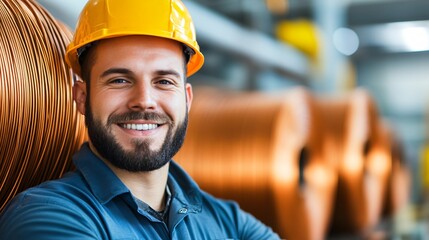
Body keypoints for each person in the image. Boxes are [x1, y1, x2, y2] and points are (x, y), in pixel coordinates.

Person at [0, 0, 280, 239]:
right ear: (83, 97)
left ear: (187, 99)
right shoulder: (46, 215)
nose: (144, 100)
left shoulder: (230, 221)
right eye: (120, 80)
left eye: (163, 81)